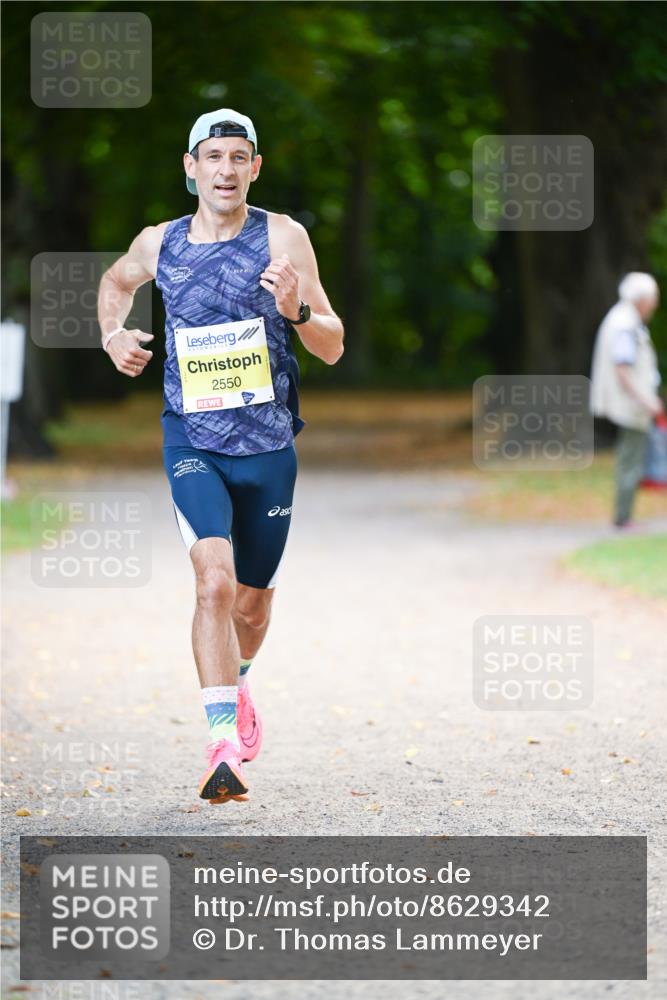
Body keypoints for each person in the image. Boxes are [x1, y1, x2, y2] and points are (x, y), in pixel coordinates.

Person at [97, 109, 344, 803]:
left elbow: (332, 344)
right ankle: (221, 747)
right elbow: (116, 281)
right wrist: (113, 335)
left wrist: (297, 311)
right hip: (192, 439)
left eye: (239, 157)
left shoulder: (282, 236)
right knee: (213, 583)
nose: (226, 169)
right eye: (213, 156)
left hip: (267, 446)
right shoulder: (160, 242)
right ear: (191, 167)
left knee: (252, 608)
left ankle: (240, 683)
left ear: (254, 168)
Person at [590, 272, 663, 528]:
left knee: (629, 457)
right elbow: (622, 369)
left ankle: (624, 516)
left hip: (631, 403)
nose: (656, 303)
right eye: (654, 297)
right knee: (630, 458)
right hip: (631, 405)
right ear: (641, 299)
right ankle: (623, 518)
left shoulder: (622, 318)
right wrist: (647, 400)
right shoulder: (625, 324)